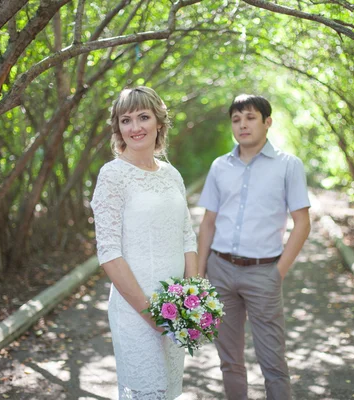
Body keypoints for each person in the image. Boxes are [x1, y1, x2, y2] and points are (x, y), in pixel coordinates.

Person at [197, 94, 311, 400]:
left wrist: (278, 273)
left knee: (273, 362)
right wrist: (198, 275)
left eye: (249, 117)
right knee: (229, 361)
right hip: (220, 270)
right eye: (236, 119)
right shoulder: (220, 166)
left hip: (263, 272)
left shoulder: (288, 166)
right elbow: (208, 222)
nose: (242, 125)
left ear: (267, 122)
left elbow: (302, 223)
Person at [90, 86, 197, 399]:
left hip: (177, 307)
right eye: (126, 120)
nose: (134, 127)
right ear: (118, 128)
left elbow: (187, 236)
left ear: (159, 123)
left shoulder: (172, 174)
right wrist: (151, 312)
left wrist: (189, 297)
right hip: (136, 308)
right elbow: (109, 253)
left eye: (143, 117)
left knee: (170, 390)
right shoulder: (112, 176)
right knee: (147, 392)